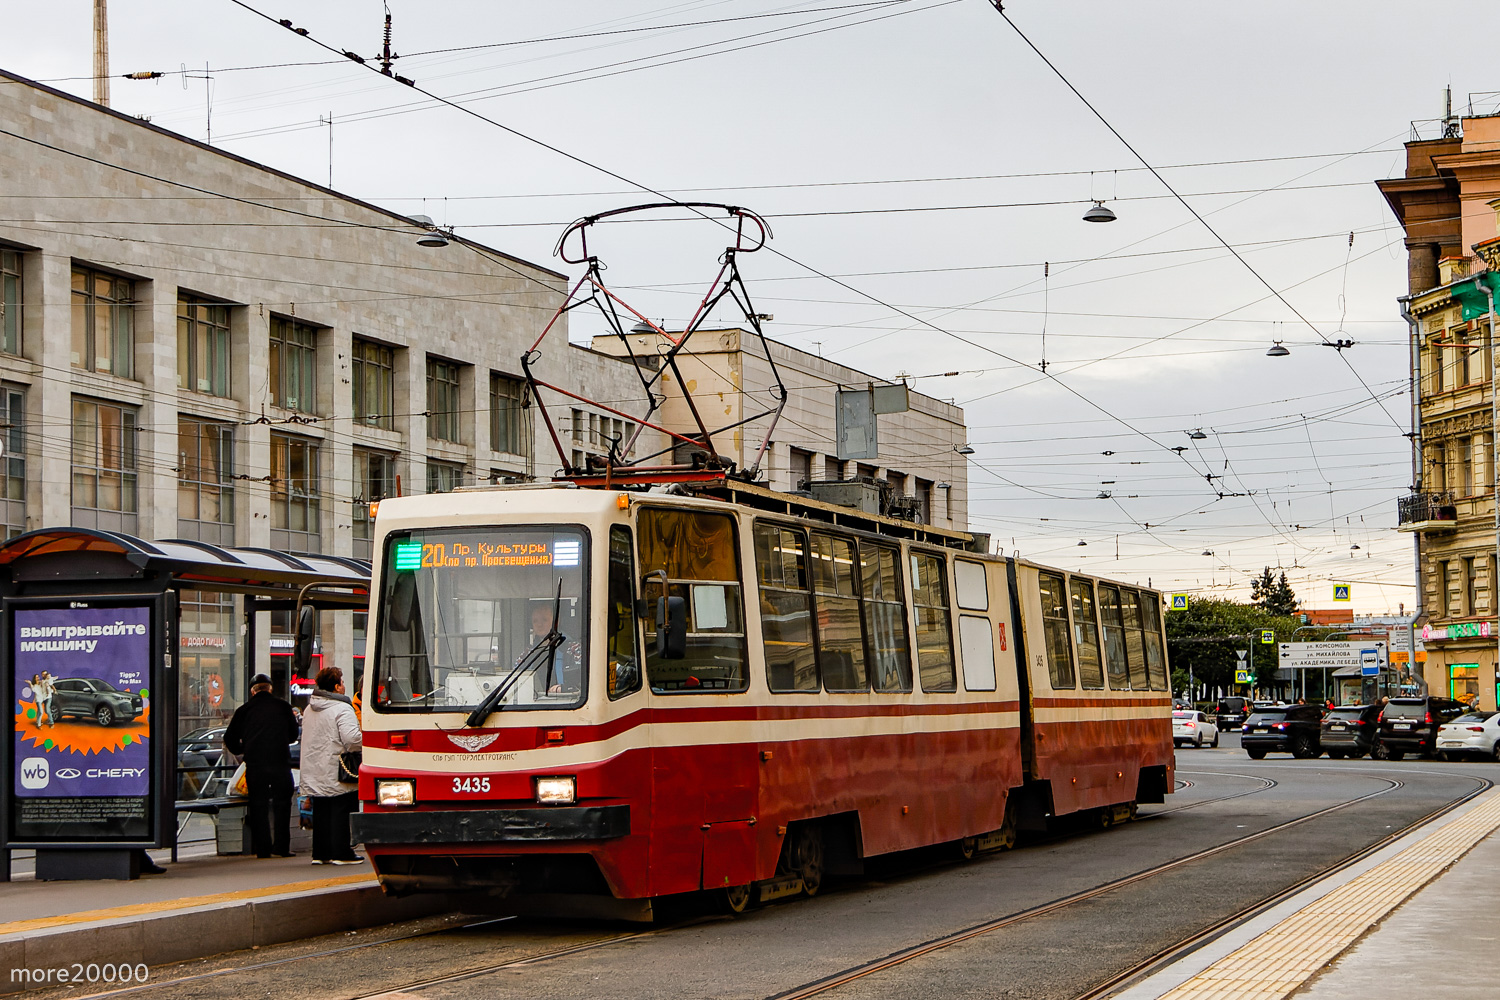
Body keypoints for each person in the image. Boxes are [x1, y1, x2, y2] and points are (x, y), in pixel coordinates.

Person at [223, 673, 300, 859]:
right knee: (283, 804)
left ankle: (263, 849)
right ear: (270, 688)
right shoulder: (283, 707)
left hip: (256, 764)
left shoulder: (245, 710)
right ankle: (281, 847)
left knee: (259, 805)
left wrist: (243, 749)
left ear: (252, 691)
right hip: (280, 762)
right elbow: (292, 735)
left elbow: (229, 738)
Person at [301, 666, 363, 865]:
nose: (344, 686)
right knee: (342, 808)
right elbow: (352, 740)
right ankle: (341, 852)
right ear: (336, 687)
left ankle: (320, 853)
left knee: (321, 810)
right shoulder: (342, 708)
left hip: (315, 767)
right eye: (342, 682)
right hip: (338, 768)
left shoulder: (309, 709)